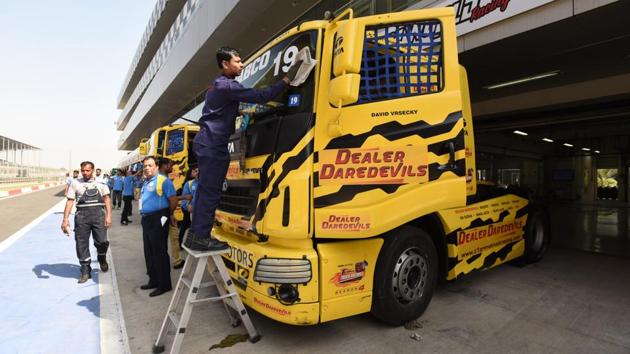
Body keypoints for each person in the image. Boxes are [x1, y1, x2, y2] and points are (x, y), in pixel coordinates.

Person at [184, 46, 301, 251]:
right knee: (210, 193)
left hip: (206, 142)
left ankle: (196, 235)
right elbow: (262, 95)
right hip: (213, 144)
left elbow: (234, 108)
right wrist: (286, 80)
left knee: (204, 191)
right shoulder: (227, 86)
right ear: (225, 64)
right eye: (238, 61)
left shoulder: (218, 86)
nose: (242, 64)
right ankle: (201, 237)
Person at [61, 161, 112, 283]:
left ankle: (101, 258)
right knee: (81, 243)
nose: (85, 173)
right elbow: (69, 201)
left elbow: (107, 199)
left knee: (102, 241)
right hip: (81, 216)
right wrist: (65, 220)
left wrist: (109, 216)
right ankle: (85, 270)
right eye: (83, 170)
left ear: (92, 170)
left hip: (98, 215)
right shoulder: (75, 183)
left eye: (88, 170)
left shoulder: (101, 182)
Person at [139, 156, 177, 297]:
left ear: (156, 166)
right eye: (145, 166)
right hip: (147, 219)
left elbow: (173, 200)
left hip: (159, 218)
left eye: (150, 165)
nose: (147, 168)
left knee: (159, 251)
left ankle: (164, 284)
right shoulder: (146, 182)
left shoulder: (164, 181)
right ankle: (153, 280)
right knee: (149, 251)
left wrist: (169, 214)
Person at [158, 158, 185, 269]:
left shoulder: (154, 179)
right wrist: (171, 214)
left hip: (156, 214)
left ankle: (160, 261)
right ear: (164, 166)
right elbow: (173, 200)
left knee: (160, 238)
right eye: (170, 165)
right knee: (174, 236)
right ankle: (177, 260)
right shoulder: (166, 181)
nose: (172, 167)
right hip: (166, 213)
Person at [178, 166, 198, 248]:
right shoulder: (189, 183)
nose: (197, 173)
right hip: (188, 210)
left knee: (190, 226)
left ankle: (191, 243)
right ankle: (180, 242)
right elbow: (185, 198)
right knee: (186, 225)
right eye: (195, 171)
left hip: (198, 211)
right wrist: (187, 206)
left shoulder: (203, 184)